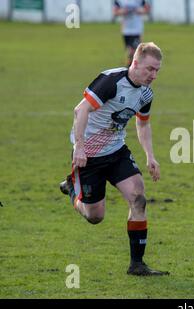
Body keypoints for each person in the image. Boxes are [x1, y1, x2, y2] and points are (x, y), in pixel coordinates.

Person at [59, 42, 170, 277]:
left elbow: (143, 123)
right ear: (136, 63)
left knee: (138, 197)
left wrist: (151, 156)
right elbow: (80, 111)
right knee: (95, 216)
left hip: (116, 151)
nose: (154, 75)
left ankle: (137, 264)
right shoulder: (111, 81)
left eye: (157, 70)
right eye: (150, 69)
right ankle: (71, 188)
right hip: (88, 156)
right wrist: (79, 147)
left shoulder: (146, 93)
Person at [113, 0, 151, 67]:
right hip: (126, 30)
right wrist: (123, 11)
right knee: (129, 50)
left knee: (133, 50)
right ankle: (132, 66)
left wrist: (139, 11)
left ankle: (132, 66)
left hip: (136, 29)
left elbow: (147, 9)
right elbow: (115, 12)